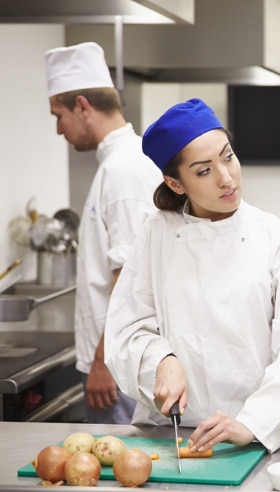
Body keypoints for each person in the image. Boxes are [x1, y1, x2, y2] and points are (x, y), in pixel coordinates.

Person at [103, 98, 280, 453]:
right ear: (176, 184)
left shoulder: (276, 238)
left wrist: (252, 423)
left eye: (228, 157)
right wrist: (160, 361)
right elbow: (126, 329)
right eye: (204, 170)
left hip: (253, 438)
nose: (227, 178)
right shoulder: (155, 236)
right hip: (168, 438)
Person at [44, 41, 163, 424]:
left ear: (82, 106)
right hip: (117, 357)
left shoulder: (123, 170)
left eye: (58, 115)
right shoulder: (122, 162)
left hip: (118, 364)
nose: (59, 129)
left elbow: (129, 277)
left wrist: (102, 362)